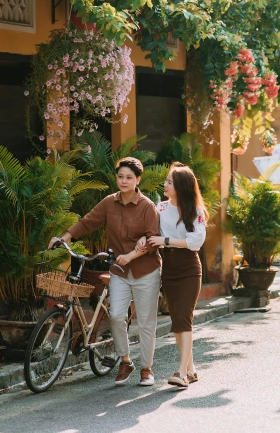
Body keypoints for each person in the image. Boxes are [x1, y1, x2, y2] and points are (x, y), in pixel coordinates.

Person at [49, 157, 160, 387]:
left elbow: (152, 240)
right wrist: (64, 237)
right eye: (120, 176)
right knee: (117, 316)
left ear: (138, 180)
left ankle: (147, 369)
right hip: (119, 271)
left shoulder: (147, 206)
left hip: (145, 271)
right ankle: (126, 361)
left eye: (129, 177)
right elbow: (88, 222)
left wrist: (130, 256)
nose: (124, 181)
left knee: (147, 322)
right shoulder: (109, 203)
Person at [137, 162, 207, 388]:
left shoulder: (196, 211)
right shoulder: (162, 208)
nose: (165, 185)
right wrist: (144, 239)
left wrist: (166, 240)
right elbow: (152, 231)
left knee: (184, 319)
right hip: (168, 268)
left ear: (182, 186)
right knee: (178, 320)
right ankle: (191, 369)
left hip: (188, 268)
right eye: (166, 181)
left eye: (170, 182)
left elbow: (196, 242)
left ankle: (181, 373)